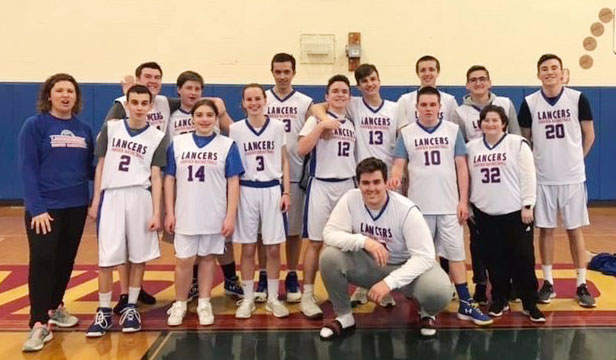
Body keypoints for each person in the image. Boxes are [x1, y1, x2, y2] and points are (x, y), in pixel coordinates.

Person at [389, 86, 492, 326]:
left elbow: (461, 168)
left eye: (432, 105)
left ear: (440, 107)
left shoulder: (452, 130)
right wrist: (394, 177)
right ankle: (427, 306)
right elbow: (398, 165)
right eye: (423, 105)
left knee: (455, 255)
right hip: (418, 208)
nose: (428, 109)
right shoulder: (406, 133)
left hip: (448, 206)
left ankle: (466, 303)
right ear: (416, 108)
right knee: (424, 257)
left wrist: (463, 200)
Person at [319, 157, 452, 339]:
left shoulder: (406, 209)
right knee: (329, 257)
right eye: (365, 183)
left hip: (403, 266)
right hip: (370, 265)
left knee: (439, 290)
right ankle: (344, 316)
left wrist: (389, 283)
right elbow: (329, 233)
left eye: (376, 182)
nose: (371, 188)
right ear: (358, 184)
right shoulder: (350, 199)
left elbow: (425, 257)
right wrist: (364, 241)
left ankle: (426, 313)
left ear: (385, 182)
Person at [311, 63, 403, 307]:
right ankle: (363, 287)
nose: (370, 84)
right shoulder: (354, 105)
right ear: (359, 87)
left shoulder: (395, 109)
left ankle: (386, 286)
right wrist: (323, 121)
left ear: (379, 80)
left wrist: (397, 173)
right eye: (364, 82)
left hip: (388, 181)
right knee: (363, 235)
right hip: (362, 180)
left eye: (373, 79)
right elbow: (317, 106)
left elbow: (404, 142)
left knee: (388, 237)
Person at [18, 73, 95, 352]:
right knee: (42, 259)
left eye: (70, 91)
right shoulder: (35, 125)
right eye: (60, 90)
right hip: (45, 209)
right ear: (48, 95)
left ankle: (55, 308)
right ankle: (38, 323)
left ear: (76, 97)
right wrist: (36, 207)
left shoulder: (84, 129)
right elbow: (27, 168)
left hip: (75, 206)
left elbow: (89, 169)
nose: (65, 95)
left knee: (64, 260)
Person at [86, 85, 168, 337]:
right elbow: (100, 166)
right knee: (107, 258)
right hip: (112, 195)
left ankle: (131, 307)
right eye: (135, 102)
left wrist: (157, 212)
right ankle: (103, 311)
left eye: (145, 103)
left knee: (138, 256)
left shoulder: (157, 136)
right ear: (128, 104)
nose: (140, 107)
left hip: (139, 196)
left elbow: (156, 177)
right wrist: (96, 201)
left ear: (150, 107)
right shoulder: (111, 128)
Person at [519, 54, 596, 308]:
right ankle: (549, 283)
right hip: (543, 178)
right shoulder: (530, 102)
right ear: (538, 74)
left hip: (572, 177)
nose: (550, 72)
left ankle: (581, 284)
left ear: (563, 72)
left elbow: (589, 134)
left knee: (575, 230)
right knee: (546, 230)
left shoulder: (577, 98)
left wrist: (577, 160)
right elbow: (525, 140)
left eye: (554, 68)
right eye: (545, 69)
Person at [164, 99, 243, 326]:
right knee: (184, 260)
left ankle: (204, 302)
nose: (205, 119)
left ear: (216, 119)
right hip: (185, 212)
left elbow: (233, 182)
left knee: (208, 259)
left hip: (214, 213)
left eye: (210, 115)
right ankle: (180, 302)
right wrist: (169, 211)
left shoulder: (227, 145)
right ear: (192, 118)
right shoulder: (178, 143)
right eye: (200, 115)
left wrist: (230, 216)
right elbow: (169, 179)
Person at [467, 105, 545, 322]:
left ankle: (530, 302)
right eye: (486, 120)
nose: (490, 124)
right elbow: (467, 179)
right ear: (480, 124)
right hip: (485, 213)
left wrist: (528, 204)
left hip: (515, 212)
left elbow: (528, 175)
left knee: (523, 258)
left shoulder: (517, 144)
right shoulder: (471, 147)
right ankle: (499, 299)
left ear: (504, 123)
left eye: (495, 120)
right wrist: (471, 206)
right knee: (494, 259)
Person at [451, 65, 521, 304]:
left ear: (490, 82)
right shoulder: (460, 112)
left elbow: (519, 140)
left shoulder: (506, 103)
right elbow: (458, 154)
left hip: (505, 182)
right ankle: (481, 284)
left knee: (508, 240)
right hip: (476, 182)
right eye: (473, 80)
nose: (478, 83)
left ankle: (509, 283)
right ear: (467, 85)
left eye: (482, 79)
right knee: (478, 241)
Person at [255, 53, 314, 303]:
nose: (282, 76)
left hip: (295, 173)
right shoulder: (262, 98)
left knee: (292, 231)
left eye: (286, 72)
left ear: (294, 72)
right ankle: (264, 274)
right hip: (264, 174)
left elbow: (318, 118)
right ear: (272, 72)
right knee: (261, 231)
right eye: (277, 72)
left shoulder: (305, 102)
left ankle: (291, 273)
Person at [297, 75, 357, 319]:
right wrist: (321, 126)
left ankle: (337, 291)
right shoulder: (315, 120)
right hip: (321, 185)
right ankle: (308, 294)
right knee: (315, 242)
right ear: (327, 96)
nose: (340, 95)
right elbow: (301, 150)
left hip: (347, 186)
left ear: (349, 97)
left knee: (343, 243)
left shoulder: (351, 123)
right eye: (335, 91)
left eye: (344, 91)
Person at [230, 84, 291, 319]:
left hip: (271, 189)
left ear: (265, 100)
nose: (254, 103)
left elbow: (284, 160)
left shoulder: (276, 127)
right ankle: (247, 298)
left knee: (273, 248)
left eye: (258, 98)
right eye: (249, 99)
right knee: (247, 248)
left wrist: (286, 192)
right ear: (243, 103)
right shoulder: (235, 129)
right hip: (247, 189)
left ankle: (273, 298)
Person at [396, 55, 458, 125]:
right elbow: (401, 131)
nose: (427, 73)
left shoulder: (449, 101)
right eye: (423, 70)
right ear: (418, 74)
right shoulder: (405, 101)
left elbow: (454, 130)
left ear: (437, 72)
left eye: (431, 69)